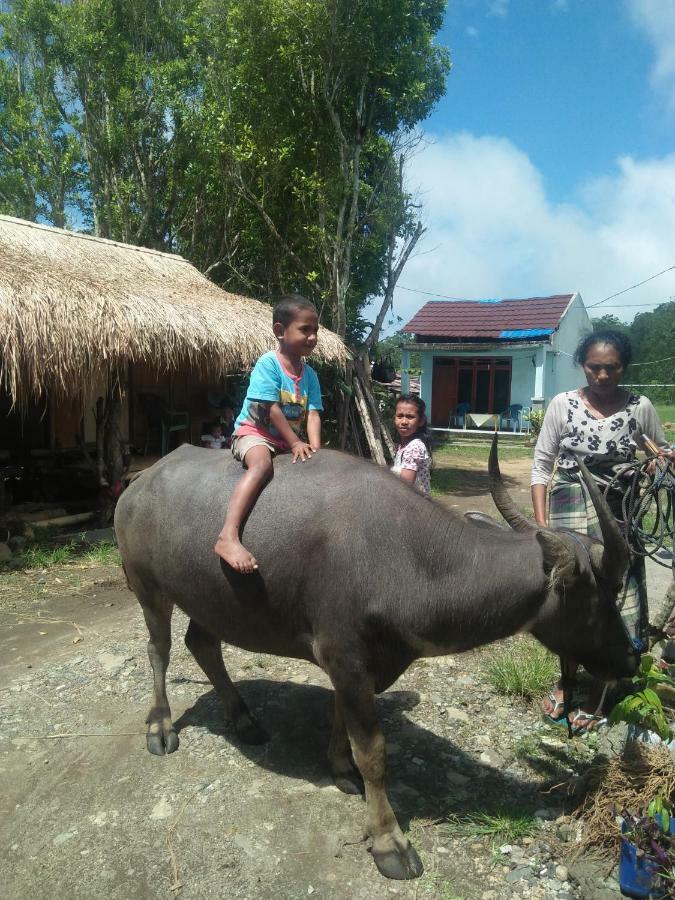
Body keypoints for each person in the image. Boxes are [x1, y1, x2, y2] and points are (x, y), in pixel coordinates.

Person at [532, 330, 674, 733]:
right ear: (584, 365)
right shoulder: (563, 404)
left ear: (622, 367)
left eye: (611, 368)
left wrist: (656, 464)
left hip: (618, 515)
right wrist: (543, 528)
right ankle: (566, 682)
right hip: (568, 510)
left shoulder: (640, 407)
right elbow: (542, 466)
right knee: (571, 599)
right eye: (595, 367)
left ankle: (600, 693)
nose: (602, 375)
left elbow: (657, 455)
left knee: (619, 597)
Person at [214, 294, 322, 573]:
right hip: (255, 434)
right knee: (261, 465)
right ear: (279, 331)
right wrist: (296, 441)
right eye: (305, 330)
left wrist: (316, 448)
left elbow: (312, 413)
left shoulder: (310, 375)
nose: (312, 337)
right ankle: (228, 535)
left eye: (315, 330)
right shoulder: (268, 364)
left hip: (286, 441)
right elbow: (270, 408)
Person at [391, 394, 432, 496]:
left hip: (413, 505)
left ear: (421, 421)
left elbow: (405, 486)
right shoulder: (403, 446)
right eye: (400, 416)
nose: (404, 422)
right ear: (394, 418)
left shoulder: (414, 447)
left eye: (410, 417)